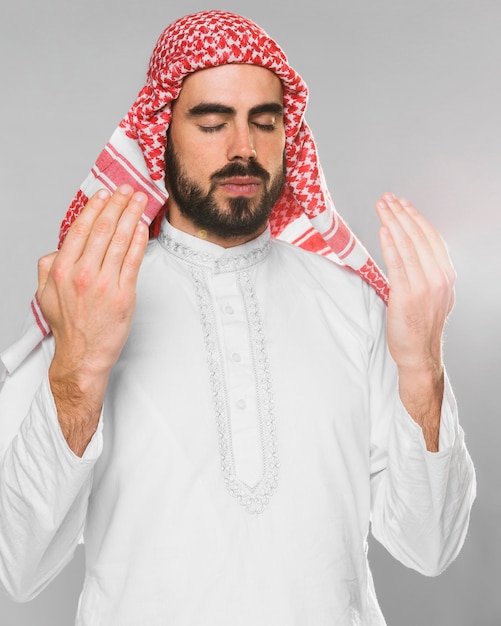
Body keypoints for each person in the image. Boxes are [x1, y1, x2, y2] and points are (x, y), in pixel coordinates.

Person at [0, 10, 475, 626]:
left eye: (264, 121)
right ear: (159, 133)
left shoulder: (353, 303)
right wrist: (78, 373)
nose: (243, 149)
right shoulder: (91, 295)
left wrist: (423, 370)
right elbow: (18, 563)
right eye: (211, 121)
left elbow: (429, 546)